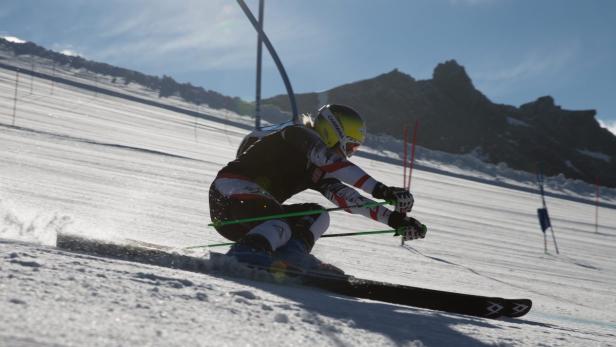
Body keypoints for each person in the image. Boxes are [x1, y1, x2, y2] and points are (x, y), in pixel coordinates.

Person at [209, 104, 426, 270]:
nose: (349, 153)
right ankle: (245, 255)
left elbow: (350, 199)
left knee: (318, 215)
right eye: (349, 146)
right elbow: (335, 163)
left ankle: (290, 257)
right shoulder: (297, 135)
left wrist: (396, 220)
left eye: (354, 150)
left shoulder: (318, 170)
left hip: (254, 218)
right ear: (334, 133)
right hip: (229, 193)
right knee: (279, 223)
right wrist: (383, 190)